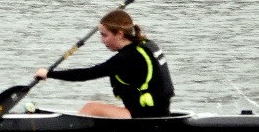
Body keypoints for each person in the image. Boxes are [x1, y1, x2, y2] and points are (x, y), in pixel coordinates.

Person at [34, 10, 174, 118]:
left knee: (91, 108)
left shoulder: (125, 58)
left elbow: (87, 74)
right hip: (161, 112)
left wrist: (49, 74)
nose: (102, 40)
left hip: (144, 117)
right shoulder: (147, 45)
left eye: (104, 35)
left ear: (119, 34)